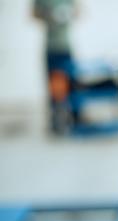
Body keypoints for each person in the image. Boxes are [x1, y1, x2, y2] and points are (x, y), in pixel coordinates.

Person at [33, 0, 78, 134]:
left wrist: (67, 14)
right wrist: (48, 15)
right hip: (51, 48)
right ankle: (55, 122)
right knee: (54, 89)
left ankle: (74, 119)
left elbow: (78, 12)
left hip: (66, 47)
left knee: (71, 84)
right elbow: (33, 14)